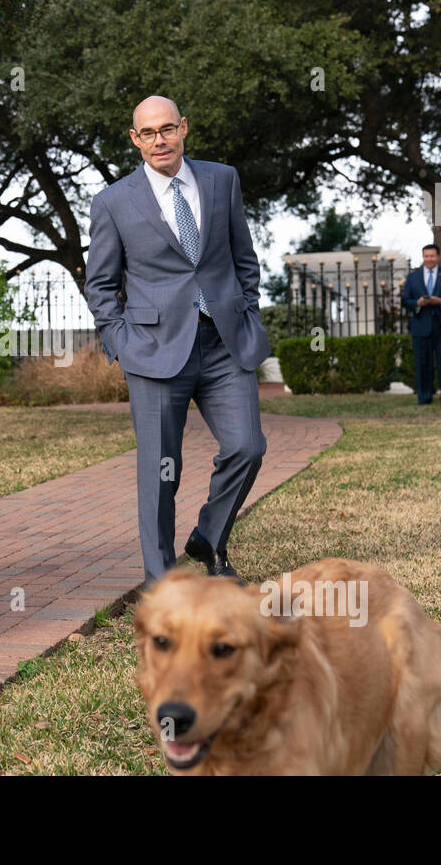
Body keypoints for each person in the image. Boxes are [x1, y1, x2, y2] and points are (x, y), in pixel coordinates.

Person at [85, 96, 269, 584]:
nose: (159, 140)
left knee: (247, 446)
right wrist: (120, 341)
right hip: (153, 349)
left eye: (167, 129)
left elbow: (243, 256)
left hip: (225, 341)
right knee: (161, 470)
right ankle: (161, 581)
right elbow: (100, 284)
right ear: (134, 139)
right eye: (148, 133)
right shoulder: (113, 202)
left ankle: (209, 535)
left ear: (183, 128)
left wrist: (245, 307)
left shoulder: (221, 179)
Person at [402, 244, 441, 405]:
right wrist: (417, 303)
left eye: (432, 256)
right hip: (421, 326)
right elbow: (405, 300)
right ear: (423, 257)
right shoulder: (413, 277)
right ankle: (424, 397)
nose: (429, 259)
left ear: (438, 257)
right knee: (422, 364)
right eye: (426, 256)